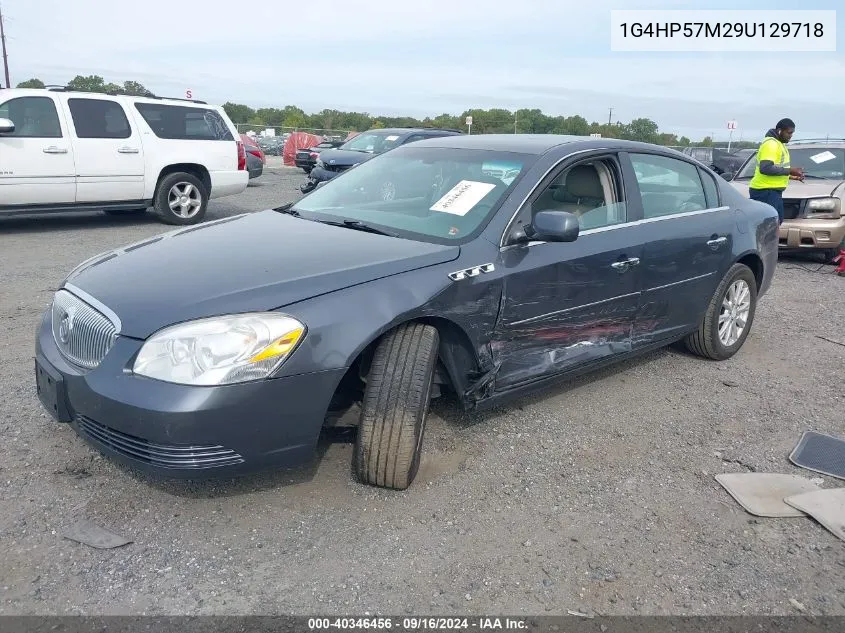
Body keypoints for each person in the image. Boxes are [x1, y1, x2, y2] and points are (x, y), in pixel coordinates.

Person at [748, 118, 805, 225]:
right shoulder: (771, 144)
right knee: (769, 226)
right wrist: (790, 171)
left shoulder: (779, 144)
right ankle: (766, 242)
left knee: (776, 223)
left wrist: (793, 177)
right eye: (789, 132)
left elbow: (777, 168)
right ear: (779, 131)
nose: (791, 135)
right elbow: (766, 168)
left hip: (772, 192)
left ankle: (771, 242)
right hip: (765, 191)